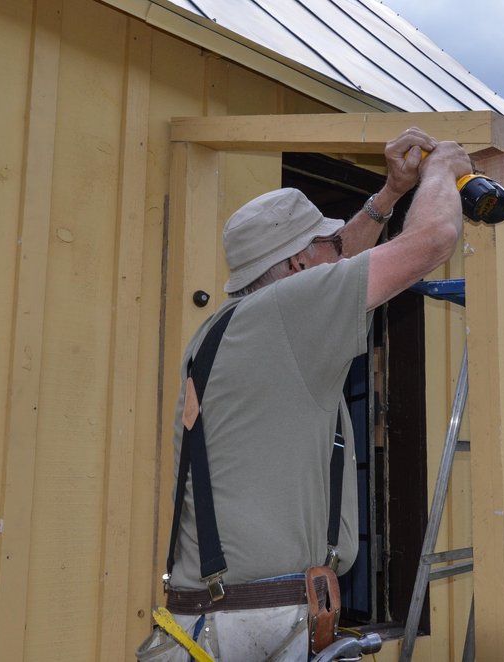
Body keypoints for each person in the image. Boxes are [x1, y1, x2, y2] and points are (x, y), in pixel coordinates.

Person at [137, 128, 472, 662]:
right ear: (296, 266)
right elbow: (432, 240)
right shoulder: (291, 312)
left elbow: (330, 269)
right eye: (328, 246)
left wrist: (388, 196)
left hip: (218, 621)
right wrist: (442, 170)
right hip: (258, 625)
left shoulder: (233, 325)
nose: (340, 258)